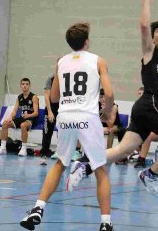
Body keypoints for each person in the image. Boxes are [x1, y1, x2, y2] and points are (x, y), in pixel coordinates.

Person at [69, 0, 158, 195]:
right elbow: (142, 26)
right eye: (157, 32)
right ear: (154, 39)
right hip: (150, 103)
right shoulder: (150, 53)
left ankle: (85, 165)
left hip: (147, 108)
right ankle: (151, 174)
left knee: (124, 149)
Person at [20, 22, 115, 231]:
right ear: (87, 42)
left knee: (60, 164)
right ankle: (106, 223)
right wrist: (107, 112)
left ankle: (38, 207)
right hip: (87, 117)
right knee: (100, 169)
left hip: (65, 116)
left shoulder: (61, 62)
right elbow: (108, 93)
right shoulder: (98, 60)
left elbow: (54, 96)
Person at [0, 78, 39, 156]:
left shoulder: (34, 97)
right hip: (23, 118)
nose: (25, 86)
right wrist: (10, 117)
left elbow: (36, 113)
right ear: (20, 86)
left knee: (23, 125)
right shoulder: (19, 97)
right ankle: (3, 147)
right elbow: (15, 111)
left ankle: (23, 149)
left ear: (29, 86)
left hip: (31, 118)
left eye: (26, 84)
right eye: (23, 84)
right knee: (5, 123)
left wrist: (28, 115)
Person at [40, 73, 59, 165]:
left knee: (63, 133)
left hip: (63, 109)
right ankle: (44, 155)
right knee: (47, 133)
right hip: (51, 108)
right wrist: (50, 111)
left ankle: (62, 155)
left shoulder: (68, 76)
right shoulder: (51, 78)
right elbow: (47, 96)